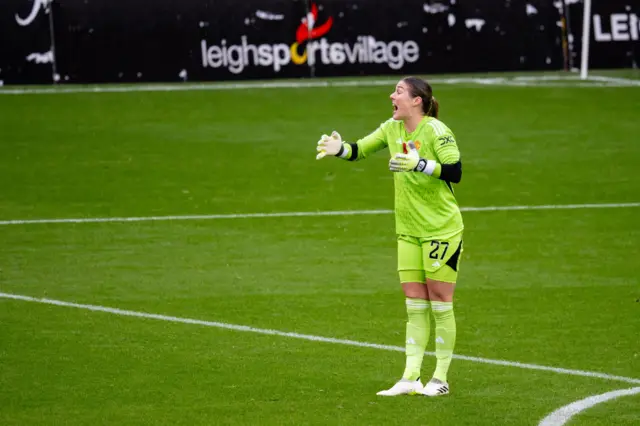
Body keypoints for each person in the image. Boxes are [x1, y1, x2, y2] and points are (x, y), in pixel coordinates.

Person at [316, 76, 463, 397]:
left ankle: (440, 379)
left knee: (440, 300)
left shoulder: (437, 131)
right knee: (414, 301)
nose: (391, 95)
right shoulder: (391, 129)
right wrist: (338, 149)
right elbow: (359, 150)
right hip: (408, 230)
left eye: (398, 91)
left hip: (441, 229)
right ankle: (410, 376)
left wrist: (420, 164)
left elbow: (456, 171)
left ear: (417, 101)